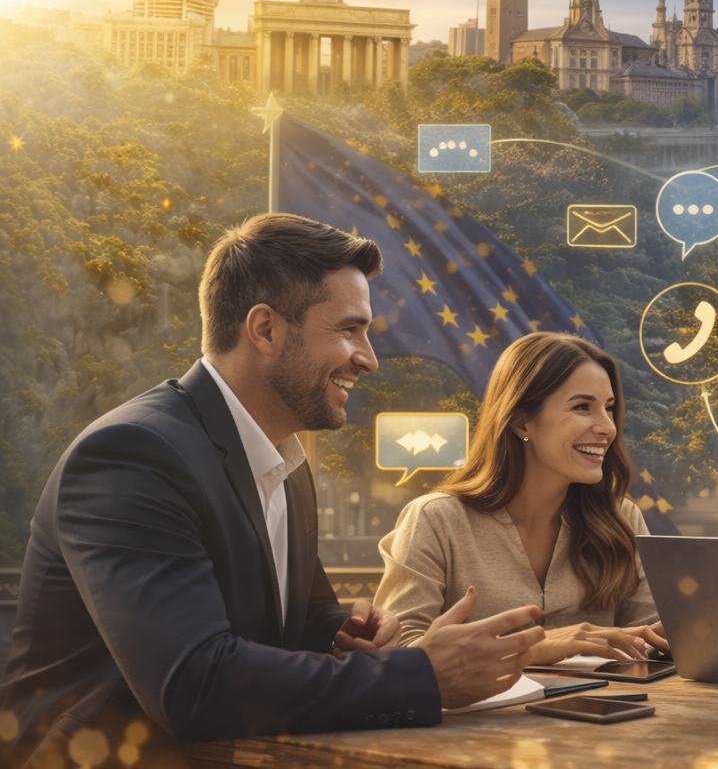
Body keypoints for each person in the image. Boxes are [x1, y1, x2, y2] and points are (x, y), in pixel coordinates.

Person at [1, 214, 546, 766]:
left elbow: (299, 619)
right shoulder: (132, 455)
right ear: (264, 330)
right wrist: (420, 673)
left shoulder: (284, 458)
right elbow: (194, 686)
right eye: (349, 329)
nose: (369, 358)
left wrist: (348, 629)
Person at [375, 333, 666, 662]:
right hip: (480, 716)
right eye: (583, 407)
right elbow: (397, 654)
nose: (607, 427)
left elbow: (650, 641)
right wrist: (540, 647)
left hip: (607, 711)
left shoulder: (622, 517)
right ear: (520, 421)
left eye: (609, 409)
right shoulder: (434, 520)